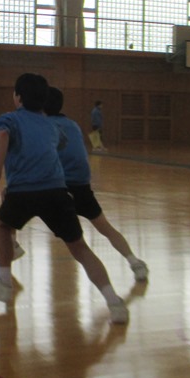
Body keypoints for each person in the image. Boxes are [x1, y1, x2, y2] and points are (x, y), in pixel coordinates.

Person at [0, 73, 129, 324]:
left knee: (2, 226)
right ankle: (114, 302)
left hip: (23, 192)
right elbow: (59, 145)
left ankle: (4, 283)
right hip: (56, 192)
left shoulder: (11, 119)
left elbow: (1, 133)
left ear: (18, 97)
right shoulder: (52, 125)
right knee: (80, 249)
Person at [38, 86, 148, 281]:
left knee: (16, 203)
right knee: (106, 228)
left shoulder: (43, 127)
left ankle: (10, 252)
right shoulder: (72, 125)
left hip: (59, 189)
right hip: (82, 187)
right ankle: (134, 262)